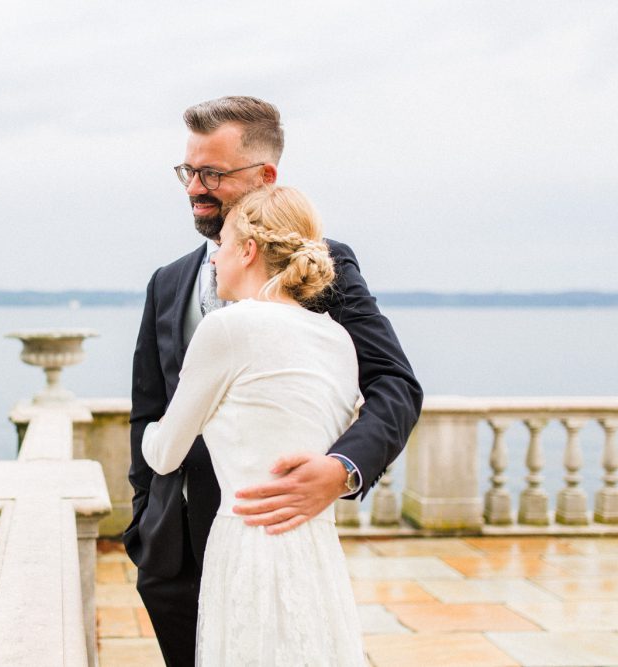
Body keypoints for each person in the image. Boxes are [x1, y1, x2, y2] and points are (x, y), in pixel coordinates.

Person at [124, 96, 422, 666]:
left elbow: (394, 383)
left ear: (265, 176)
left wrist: (343, 468)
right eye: (188, 171)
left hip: (275, 539)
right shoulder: (168, 282)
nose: (194, 188)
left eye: (211, 173)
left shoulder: (324, 264)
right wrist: (146, 524)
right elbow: (149, 406)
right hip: (174, 554)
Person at [142, 185, 365, 665]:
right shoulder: (339, 338)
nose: (214, 259)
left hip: (247, 544)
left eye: (221, 245)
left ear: (247, 250)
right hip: (316, 548)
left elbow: (166, 454)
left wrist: (148, 431)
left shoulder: (227, 327)